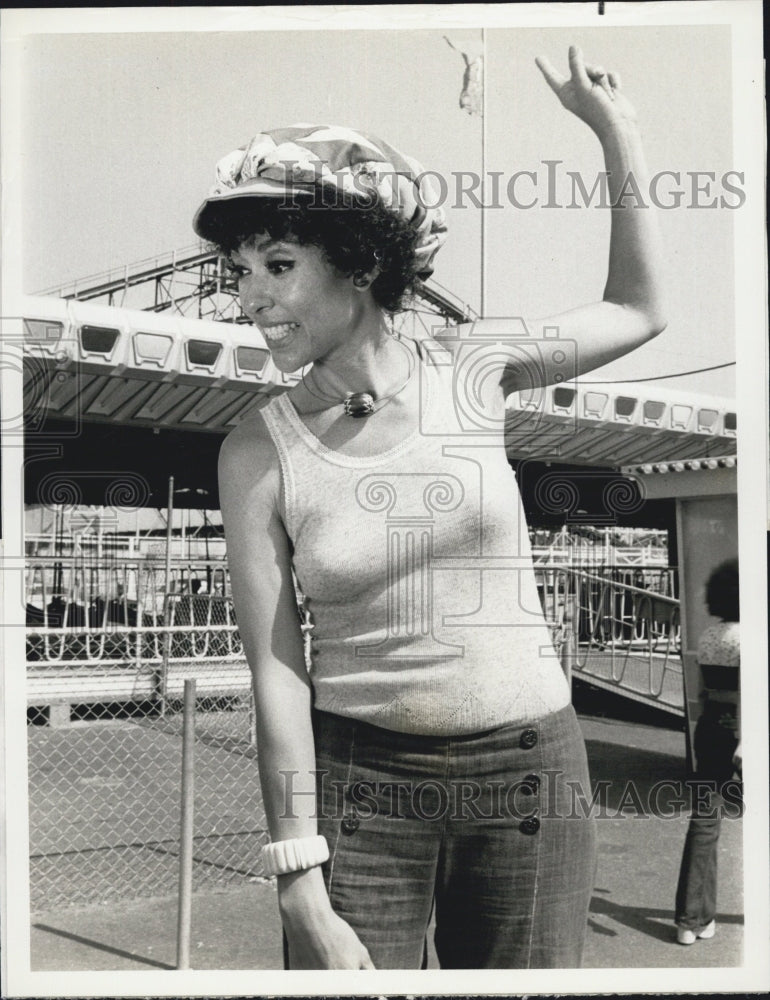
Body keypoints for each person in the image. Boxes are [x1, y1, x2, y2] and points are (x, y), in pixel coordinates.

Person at [197, 46, 665, 970]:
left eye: (277, 264)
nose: (249, 297)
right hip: (361, 792)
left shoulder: (473, 367)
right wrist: (299, 878)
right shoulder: (258, 451)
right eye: (239, 271)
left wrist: (619, 132)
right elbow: (279, 672)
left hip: (533, 776)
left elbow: (638, 308)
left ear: (362, 262)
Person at [674, 559, 740, 945]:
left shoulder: (711, 636)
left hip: (710, 727)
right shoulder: (752, 637)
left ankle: (690, 920)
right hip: (743, 728)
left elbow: (700, 694)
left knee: (704, 821)